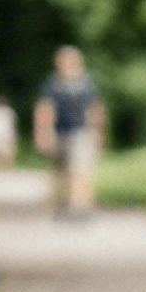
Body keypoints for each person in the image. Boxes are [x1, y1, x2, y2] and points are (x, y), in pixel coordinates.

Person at [34, 45, 108, 219]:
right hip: (59, 132)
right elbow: (45, 109)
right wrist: (43, 133)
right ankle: (63, 205)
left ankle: (81, 208)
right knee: (61, 171)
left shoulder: (87, 82)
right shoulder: (52, 83)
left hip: (82, 132)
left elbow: (96, 108)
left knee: (82, 170)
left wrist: (99, 133)